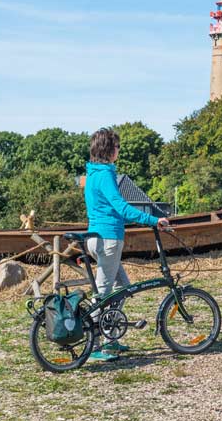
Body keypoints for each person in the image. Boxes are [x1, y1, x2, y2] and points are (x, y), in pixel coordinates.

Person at [84, 127, 169, 361]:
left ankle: (111, 339)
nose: (119, 151)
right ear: (109, 150)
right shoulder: (105, 174)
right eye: (117, 147)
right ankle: (93, 347)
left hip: (95, 237)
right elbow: (121, 207)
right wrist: (153, 220)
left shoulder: (92, 174)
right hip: (109, 240)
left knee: (123, 288)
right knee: (102, 294)